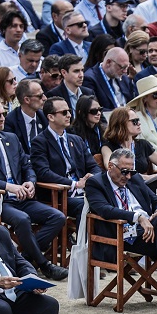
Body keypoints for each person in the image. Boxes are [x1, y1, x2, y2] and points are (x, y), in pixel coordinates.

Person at [0, 95, 69, 279]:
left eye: (4, 114)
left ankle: (24, 259)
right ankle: (44, 265)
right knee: (22, 220)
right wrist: (7, 187)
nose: (3, 118)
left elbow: (27, 165)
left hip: (22, 196)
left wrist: (30, 181)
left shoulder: (11, 138)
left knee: (57, 216)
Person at [87, 148, 157, 314]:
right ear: (110, 166)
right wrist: (137, 217)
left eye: (131, 171)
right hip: (121, 235)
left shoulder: (134, 179)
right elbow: (104, 210)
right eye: (124, 171)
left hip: (149, 233)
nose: (128, 176)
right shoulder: (96, 183)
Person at [31, 95, 99, 223]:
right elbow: (43, 173)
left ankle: (103, 242)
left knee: (106, 202)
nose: (68, 115)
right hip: (58, 194)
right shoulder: (39, 142)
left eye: (69, 111)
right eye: (64, 112)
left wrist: (92, 177)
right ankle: (82, 243)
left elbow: (93, 166)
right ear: (50, 117)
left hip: (82, 190)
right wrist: (74, 184)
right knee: (86, 206)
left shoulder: (76, 139)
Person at [101, 105, 157, 184]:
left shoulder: (143, 144)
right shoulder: (107, 147)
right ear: (121, 123)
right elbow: (112, 168)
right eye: (135, 121)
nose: (139, 123)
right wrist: (145, 177)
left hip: (146, 188)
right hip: (123, 187)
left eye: (138, 120)